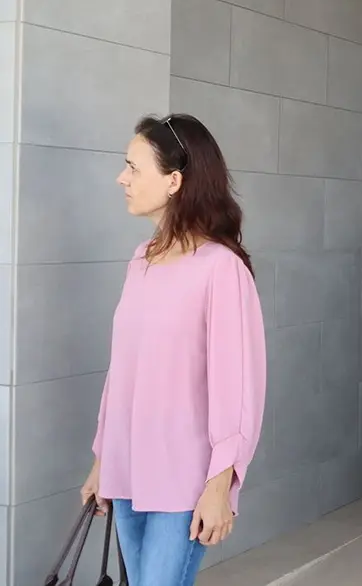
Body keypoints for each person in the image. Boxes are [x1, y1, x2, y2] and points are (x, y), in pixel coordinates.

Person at [81, 113, 267, 586]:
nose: (121, 178)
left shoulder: (220, 269)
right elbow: (123, 370)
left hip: (184, 478)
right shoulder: (141, 260)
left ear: (174, 181)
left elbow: (237, 387)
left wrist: (219, 484)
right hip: (129, 471)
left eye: (133, 167)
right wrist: (105, 459)